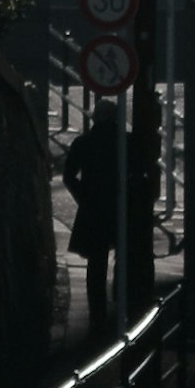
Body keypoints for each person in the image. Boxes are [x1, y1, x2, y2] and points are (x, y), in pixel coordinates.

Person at [62, 101, 125, 342]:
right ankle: (121, 305)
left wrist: (83, 197)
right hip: (120, 207)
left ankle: (97, 315)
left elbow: (69, 176)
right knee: (124, 256)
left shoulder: (83, 143)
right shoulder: (125, 142)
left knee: (95, 266)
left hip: (93, 209)